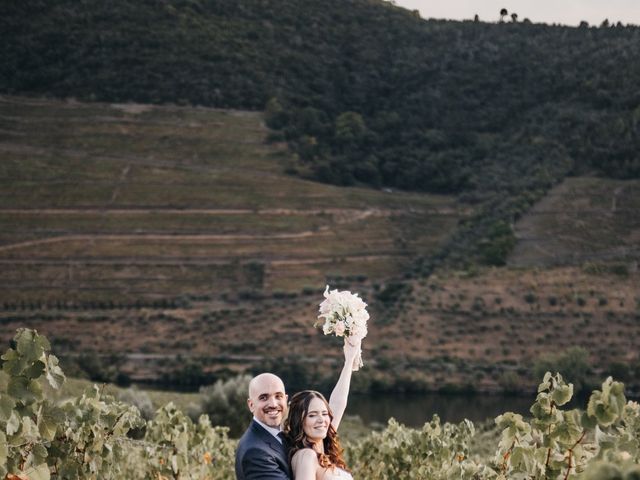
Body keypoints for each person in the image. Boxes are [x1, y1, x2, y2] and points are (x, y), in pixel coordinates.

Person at [284, 338, 360, 480]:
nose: (322, 420)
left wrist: (349, 360)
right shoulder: (306, 456)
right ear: (299, 421)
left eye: (324, 413)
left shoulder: (324, 445)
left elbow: (339, 403)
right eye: (312, 415)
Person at [235, 372, 291, 480]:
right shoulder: (255, 452)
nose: (273, 404)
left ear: (286, 399)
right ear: (251, 405)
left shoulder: (284, 435)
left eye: (278, 396)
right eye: (264, 398)